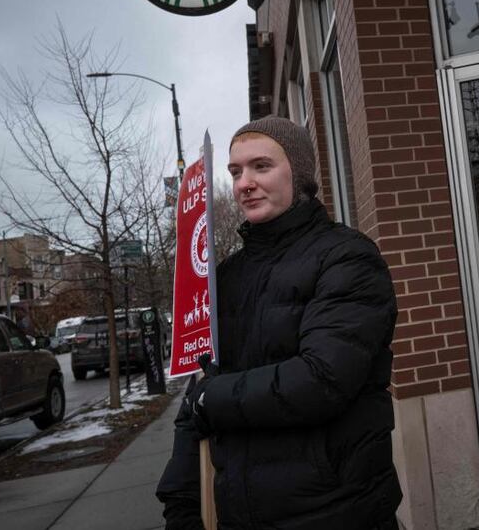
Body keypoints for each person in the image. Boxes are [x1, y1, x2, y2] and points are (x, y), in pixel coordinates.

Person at [156, 116, 402, 529]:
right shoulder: (224, 279)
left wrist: (212, 399)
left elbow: (322, 379)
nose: (243, 183)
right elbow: (195, 401)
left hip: (336, 511)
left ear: (300, 174)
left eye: (261, 166)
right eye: (235, 171)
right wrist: (182, 505)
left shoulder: (348, 258)